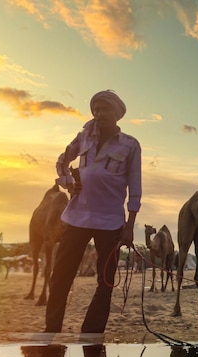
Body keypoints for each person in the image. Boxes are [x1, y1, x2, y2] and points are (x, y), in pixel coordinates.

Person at [45, 90, 141, 333]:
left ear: (117, 114)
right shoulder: (83, 137)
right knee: (60, 276)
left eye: (105, 109)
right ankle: (52, 329)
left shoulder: (130, 145)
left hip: (110, 221)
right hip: (77, 217)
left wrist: (130, 225)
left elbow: (135, 187)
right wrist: (68, 182)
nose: (99, 114)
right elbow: (61, 161)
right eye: (96, 109)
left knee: (106, 280)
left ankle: (91, 333)